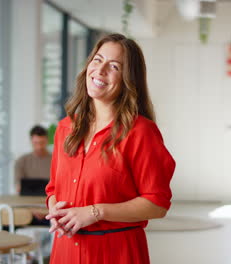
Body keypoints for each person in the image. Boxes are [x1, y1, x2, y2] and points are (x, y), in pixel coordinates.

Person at [45, 33, 176, 264]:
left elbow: (157, 204)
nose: (101, 69)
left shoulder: (140, 132)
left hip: (114, 253)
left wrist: (96, 212)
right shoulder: (66, 128)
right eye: (97, 60)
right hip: (65, 250)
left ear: (128, 79)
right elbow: (53, 189)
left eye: (114, 66)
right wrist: (56, 210)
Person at [14, 125, 51, 223]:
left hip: (50, 210)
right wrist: (32, 210)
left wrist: (46, 210)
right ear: (31, 141)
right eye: (36, 143)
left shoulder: (56, 160)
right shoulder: (21, 161)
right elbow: (19, 189)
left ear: (47, 141)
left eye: (42, 143)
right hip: (27, 210)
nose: (39, 147)